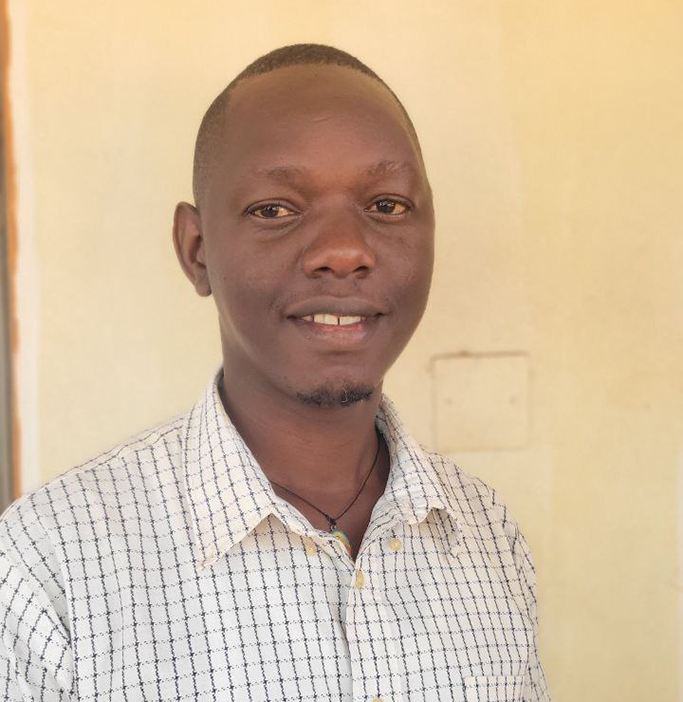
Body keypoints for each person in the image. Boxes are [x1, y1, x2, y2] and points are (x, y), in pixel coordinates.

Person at [0, 44, 550, 701]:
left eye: (386, 205)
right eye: (274, 210)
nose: (343, 251)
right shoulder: (48, 565)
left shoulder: (487, 533)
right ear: (197, 251)